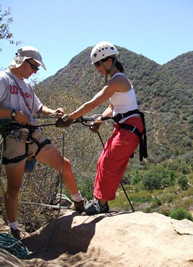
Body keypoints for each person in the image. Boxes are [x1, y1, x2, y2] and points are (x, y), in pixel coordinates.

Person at [0, 46, 84, 240]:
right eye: (34, 67)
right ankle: (14, 230)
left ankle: (79, 203)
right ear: (23, 61)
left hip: (34, 134)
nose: (35, 71)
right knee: (14, 188)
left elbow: (39, 108)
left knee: (65, 164)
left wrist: (53, 111)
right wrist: (13, 114)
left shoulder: (27, 87)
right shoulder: (3, 79)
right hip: (14, 137)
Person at [56, 41, 147, 215]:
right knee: (102, 161)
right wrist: (99, 121)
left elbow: (93, 103)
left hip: (129, 129)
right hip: (125, 128)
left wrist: (70, 117)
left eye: (98, 63)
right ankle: (99, 201)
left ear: (108, 61)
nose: (97, 68)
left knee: (109, 162)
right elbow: (113, 107)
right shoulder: (117, 80)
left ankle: (101, 204)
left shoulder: (117, 80)